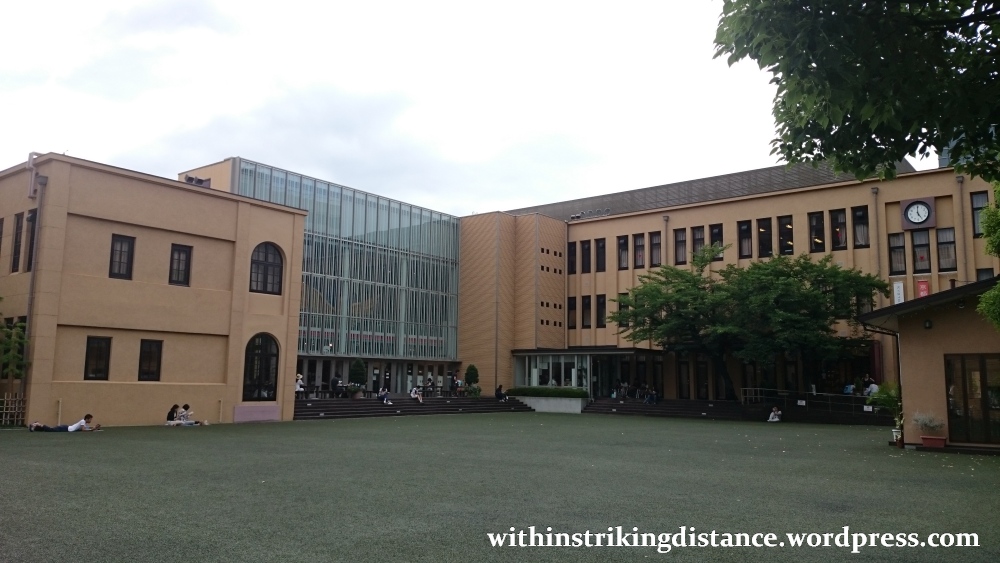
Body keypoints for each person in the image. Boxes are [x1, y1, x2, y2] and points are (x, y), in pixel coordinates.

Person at [30, 414, 100, 432]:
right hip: (66, 428)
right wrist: (92, 430)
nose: (91, 421)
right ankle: (36, 424)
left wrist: (94, 428)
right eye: (90, 419)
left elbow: (86, 429)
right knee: (51, 430)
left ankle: (36, 427)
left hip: (66, 428)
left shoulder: (85, 423)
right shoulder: (83, 421)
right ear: (87, 419)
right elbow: (83, 430)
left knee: (50, 429)